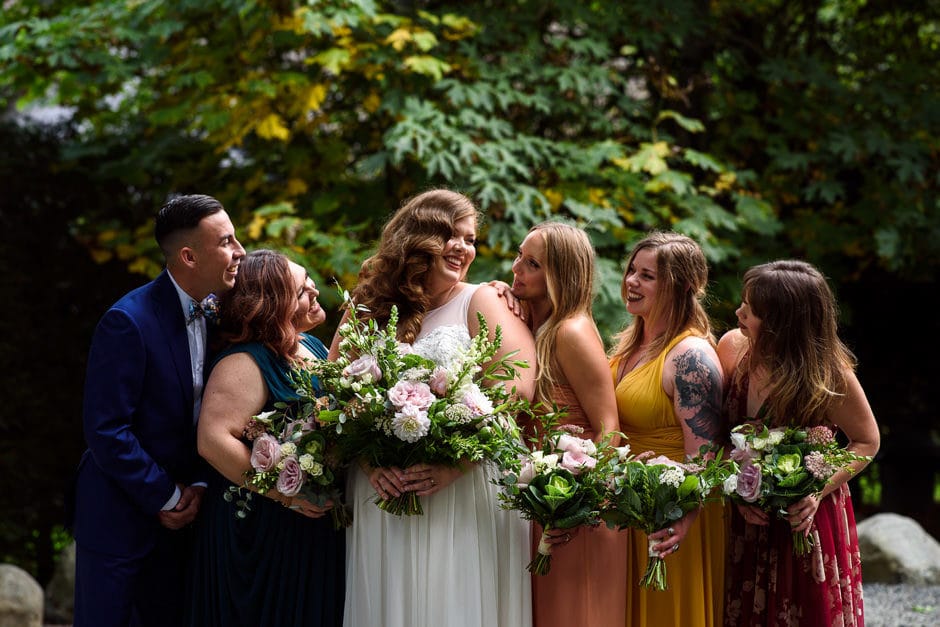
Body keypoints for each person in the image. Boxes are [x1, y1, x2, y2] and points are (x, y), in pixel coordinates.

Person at [332, 188, 537, 627]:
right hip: (381, 493)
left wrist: (454, 465)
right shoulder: (366, 305)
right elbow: (334, 393)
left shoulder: (482, 300)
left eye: (471, 238)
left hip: (462, 488)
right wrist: (370, 464)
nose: (464, 247)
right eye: (452, 235)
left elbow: (516, 391)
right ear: (418, 236)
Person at [71, 194, 245, 627]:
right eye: (226, 241)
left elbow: (208, 416)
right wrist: (165, 496)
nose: (239, 251)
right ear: (188, 255)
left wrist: (201, 484)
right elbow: (107, 429)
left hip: (188, 516)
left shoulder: (217, 314)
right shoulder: (127, 321)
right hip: (120, 517)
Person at [186, 249, 344, 626]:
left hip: (307, 527)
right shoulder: (244, 361)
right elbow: (212, 440)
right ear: (273, 304)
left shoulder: (311, 347)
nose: (315, 290)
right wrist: (286, 495)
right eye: (302, 289)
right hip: (259, 533)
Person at [717, 260, 879, 626]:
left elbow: (866, 442)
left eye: (750, 309)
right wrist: (737, 488)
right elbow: (716, 436)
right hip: (748, 521)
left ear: (780, 322)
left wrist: (816, 489)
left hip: (804, 520)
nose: (738, 312)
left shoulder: (828, 373)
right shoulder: (731, 348)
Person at [507, 222, 627, 627]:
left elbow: (609, 425)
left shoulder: (570, 331)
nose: (515, 268)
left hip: (580, 508)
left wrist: (574, 503)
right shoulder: (531, 327)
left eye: (532, 264)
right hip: (543, 498)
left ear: (559, 275)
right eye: (519, 256)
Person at [608, 231, 727, 627]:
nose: (631, 281)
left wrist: (681, 520)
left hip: (671, 515)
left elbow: (707, 457)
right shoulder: (629, 344)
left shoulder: (690, 356)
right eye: (631, 271)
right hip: (629, 508)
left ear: (682, 287)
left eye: (647, 276)